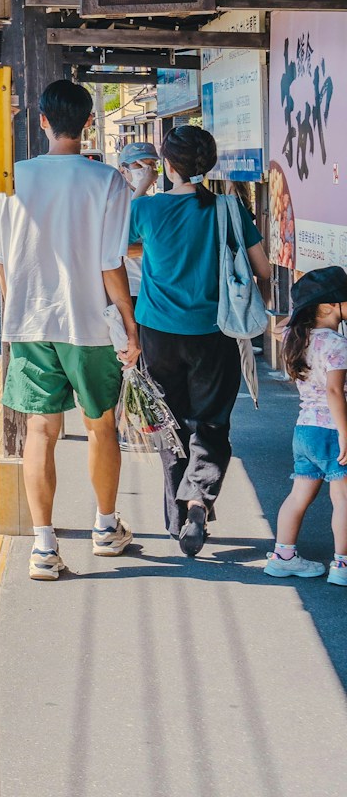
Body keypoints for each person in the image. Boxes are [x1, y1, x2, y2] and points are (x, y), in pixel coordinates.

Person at [0, 80, 139, 581]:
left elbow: (3, 264)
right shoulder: (108, 182)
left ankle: (44, 547)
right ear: (89, 123)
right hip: (89, 324)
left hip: (29, 324)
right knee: (101, 426)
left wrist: (16, 315)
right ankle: (105, 527)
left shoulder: (11, 181)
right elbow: (110, 264)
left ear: (43, 121)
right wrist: (130, 327)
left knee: (39, 431)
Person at [131, 124, 273, 557]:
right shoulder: (229, 208)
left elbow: (122, 248)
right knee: (210, 422)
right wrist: (250, 308)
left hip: (157, 334)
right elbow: (263, 271)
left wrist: (142, 186)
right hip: (216, 333)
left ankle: (178, 519)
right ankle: (198, 500)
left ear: (168, 165)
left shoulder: (147, 211)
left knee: (170, 424)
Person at [265, 266, 347, 583]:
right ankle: (342, 565)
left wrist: (301, 310)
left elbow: (278, 328)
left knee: (298, 496)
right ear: (327, 307)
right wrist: (345, 434)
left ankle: (283, 556)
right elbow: (334, 391)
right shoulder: (337, 345)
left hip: (304, 431)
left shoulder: (295, 337)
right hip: (330, 431)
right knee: (341, 499)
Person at [118, 141, 160, 300]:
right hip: (130, 289)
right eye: (138, 164)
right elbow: (120, 247)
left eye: (150, 164)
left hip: (152, 287)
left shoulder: (152, 202)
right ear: (123, 170)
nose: (146, 170)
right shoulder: (116, 200)